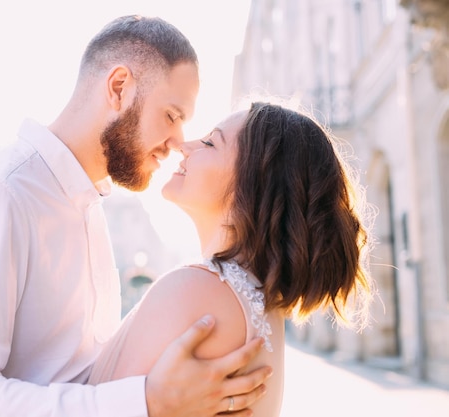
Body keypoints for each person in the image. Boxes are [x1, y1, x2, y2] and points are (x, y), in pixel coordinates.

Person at [0, 15, 271, 417]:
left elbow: (84, 376)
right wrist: (147, 401)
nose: (178, 143)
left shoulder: (88, 210)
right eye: (171, 115)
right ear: (119, 88)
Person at [88, 101, 375, 417]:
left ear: (250, 184)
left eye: (211, 142)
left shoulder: (194, 289)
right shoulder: (260, 302)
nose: (184, 146)